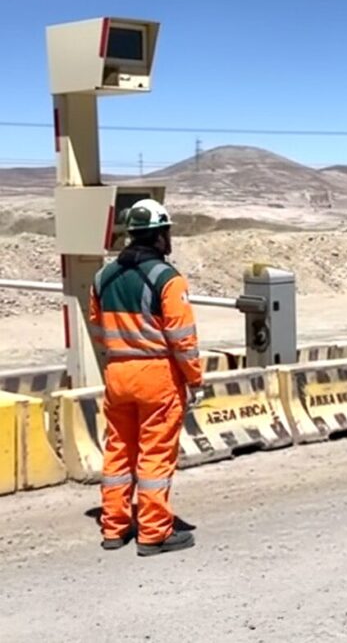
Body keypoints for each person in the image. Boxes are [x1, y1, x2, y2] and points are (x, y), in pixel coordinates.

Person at [88, 198, 203, 556]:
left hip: (118, 374)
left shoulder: (102, 277)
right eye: (167, 232)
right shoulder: (168, 279)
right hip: (156, 375)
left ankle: (114, 527)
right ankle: (154, 533)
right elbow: (182, 338)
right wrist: (195, 379)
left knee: (118, 450)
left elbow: (97, 329)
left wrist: (123, 349)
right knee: (155, 454)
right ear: (158, 235)